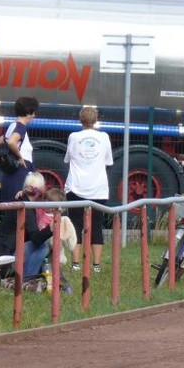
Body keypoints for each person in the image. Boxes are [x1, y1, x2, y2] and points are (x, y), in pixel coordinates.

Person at [64, 105, 113, 273]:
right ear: (96, 120)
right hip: (98, 188)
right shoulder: (104, 137)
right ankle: (97, 265)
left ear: (80, 120)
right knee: (97, 225)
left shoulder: (73, 137)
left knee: (76, 224)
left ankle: (76, 264)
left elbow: (68, 158)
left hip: (76, 187)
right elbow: (108, 161)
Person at [0, 96, 39, 202]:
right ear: (28, 112)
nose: (34, 116)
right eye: (33, 112)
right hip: (19, 173)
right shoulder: (21, 127)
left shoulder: (12, 126)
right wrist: (20, 156)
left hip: (9, 173)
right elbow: (12, 142)